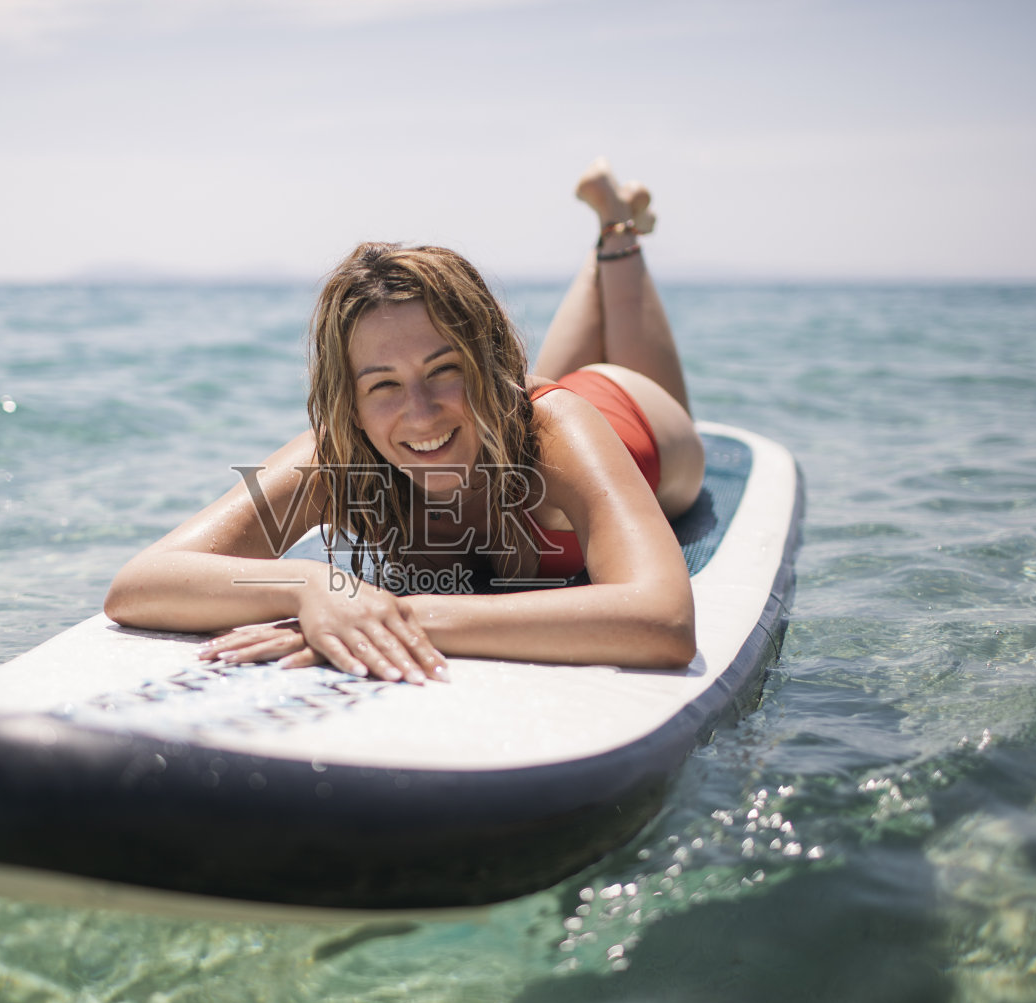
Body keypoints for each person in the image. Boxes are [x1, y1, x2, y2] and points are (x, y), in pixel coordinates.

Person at [104, 159, 705, 681]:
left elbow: (663, 619)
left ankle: (619, 229)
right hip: (493, 420)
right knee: (486, 409)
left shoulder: (559, 431)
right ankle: (608, 222)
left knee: (584, 371)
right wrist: (310, 587)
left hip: (630, 418)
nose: (416, 412)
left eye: (447, 369)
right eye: (383, 384)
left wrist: (396, 613)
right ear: (353, 405)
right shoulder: (342, 452)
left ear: (489, 366)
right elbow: (140, 584)